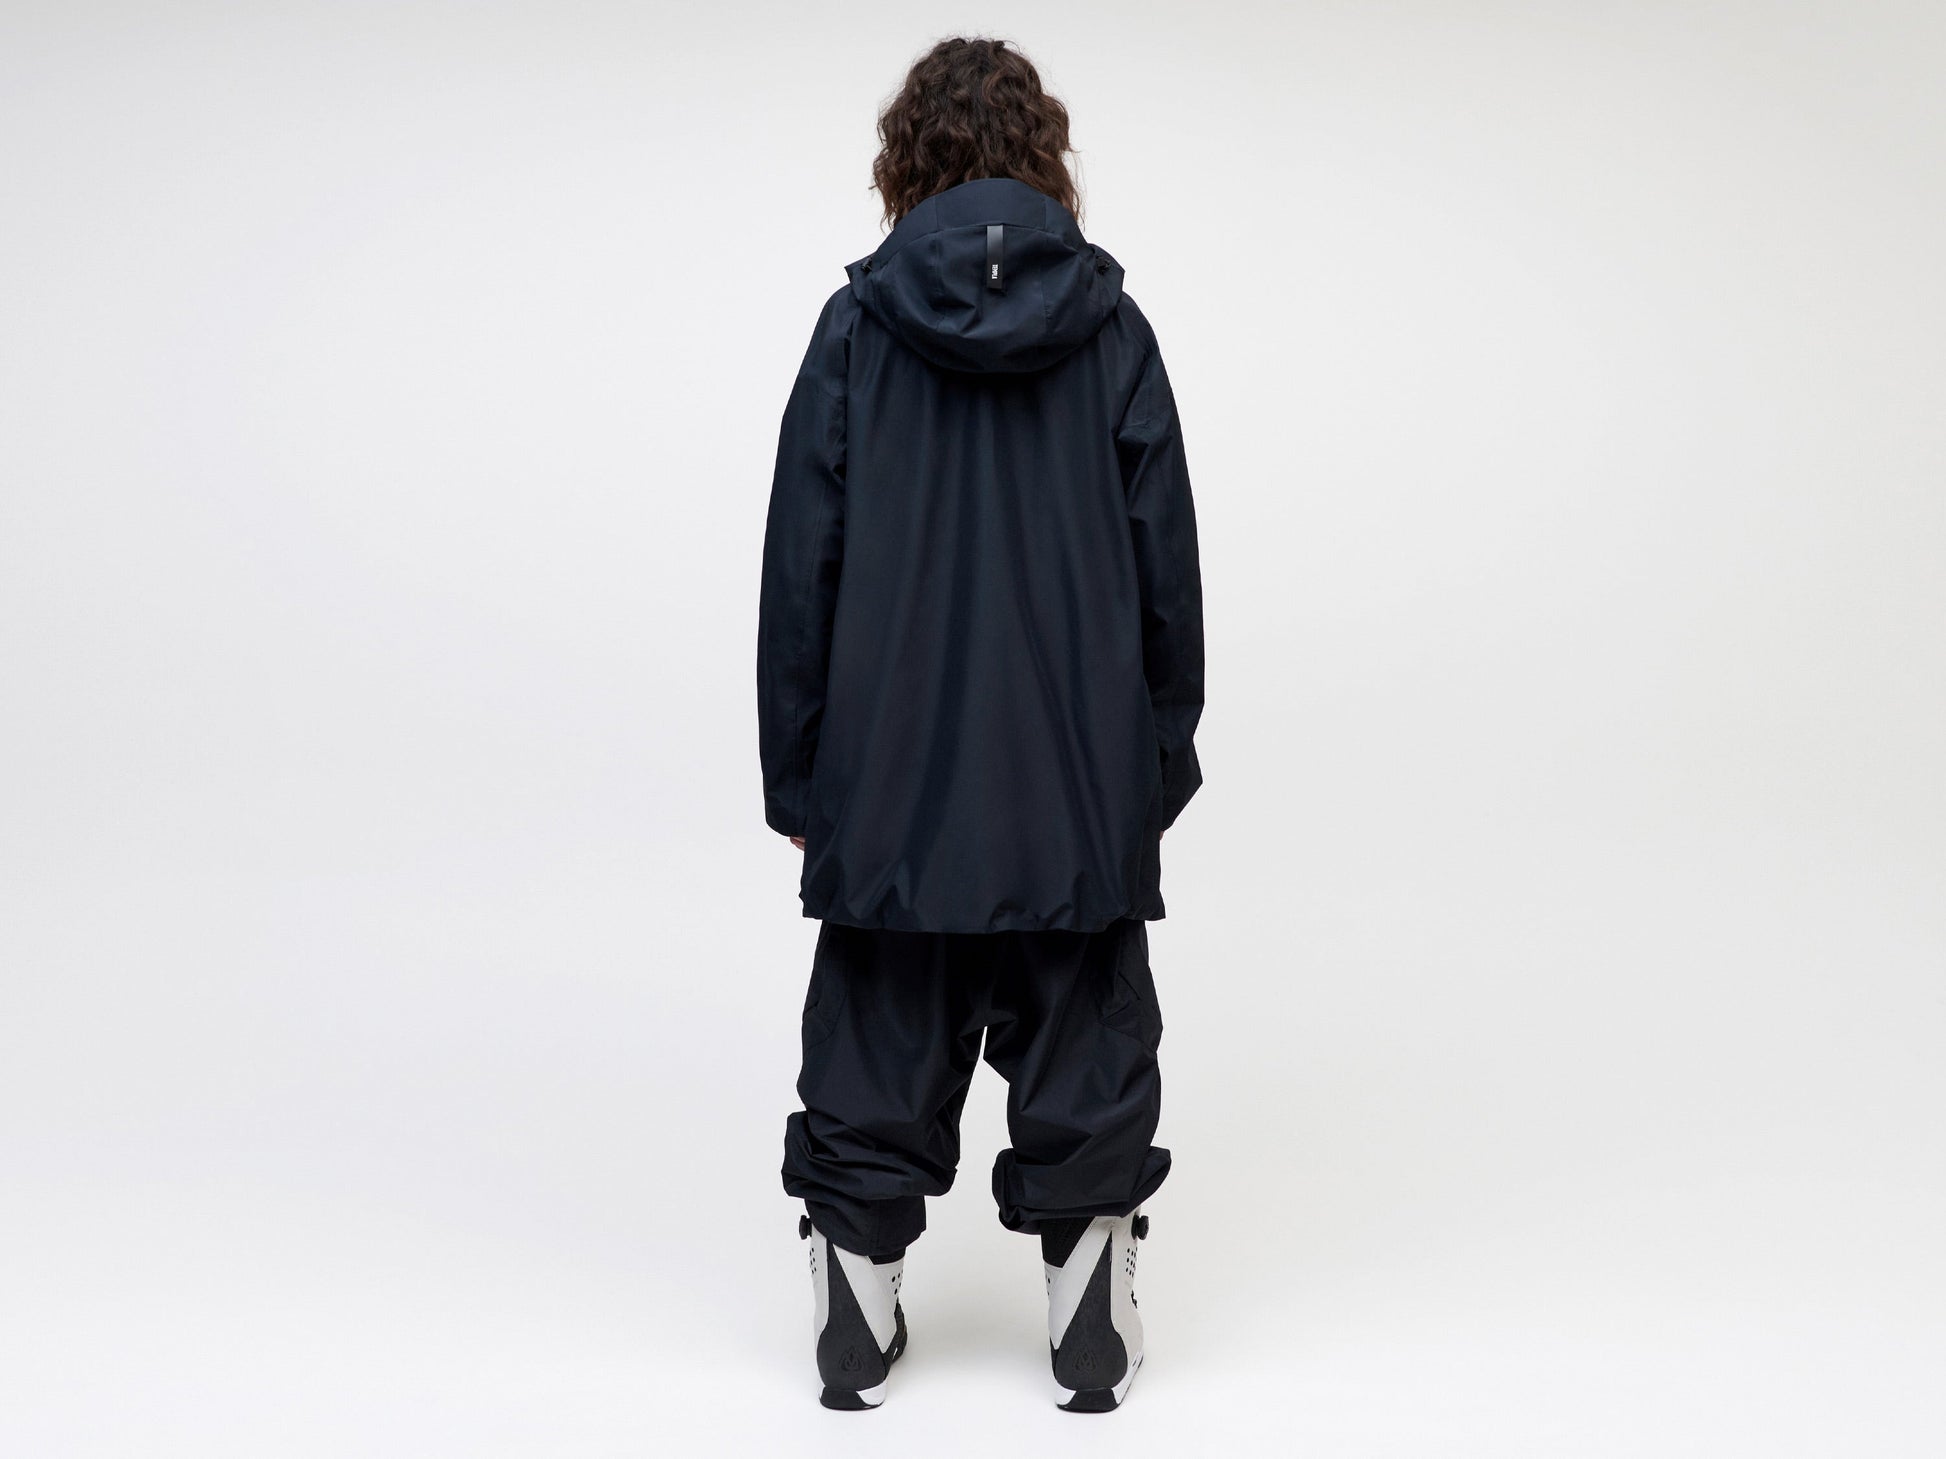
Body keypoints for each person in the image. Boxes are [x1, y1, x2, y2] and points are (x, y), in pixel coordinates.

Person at [756, 35, 1204, 1413]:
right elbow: (1166, 575)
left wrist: (803, 782)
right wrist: (1150, 768)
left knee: (880, 1017)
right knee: (1085, 1022)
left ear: (906, 162)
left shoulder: (854, 330)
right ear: (1043, 154)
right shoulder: (1112, 330)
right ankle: (1088, 1305)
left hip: (890, 780)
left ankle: (856, 1295)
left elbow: (801, 570)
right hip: (1074, 777)